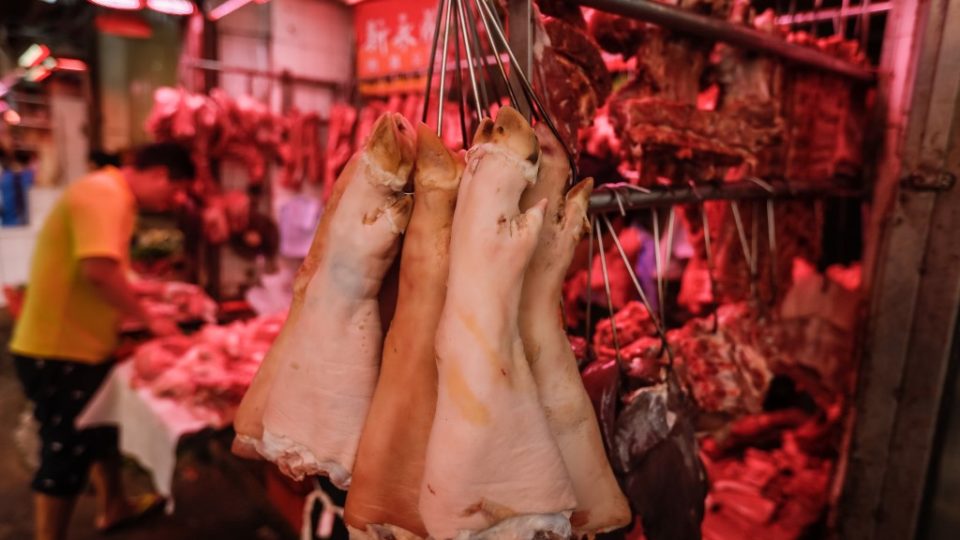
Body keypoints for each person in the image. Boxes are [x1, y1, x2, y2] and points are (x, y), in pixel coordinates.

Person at [8, 142, 195, 540]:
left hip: (79, 345)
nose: (173, 200)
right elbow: (97, 270)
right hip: (58, 349)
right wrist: (150, 320)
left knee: (100, 432)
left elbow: (108, 271)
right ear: (159, 173)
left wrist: (152, 294)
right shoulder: (104, 194)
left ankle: (115, 506)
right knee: (65, 452)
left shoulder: (110, 194)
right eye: (175, 189)